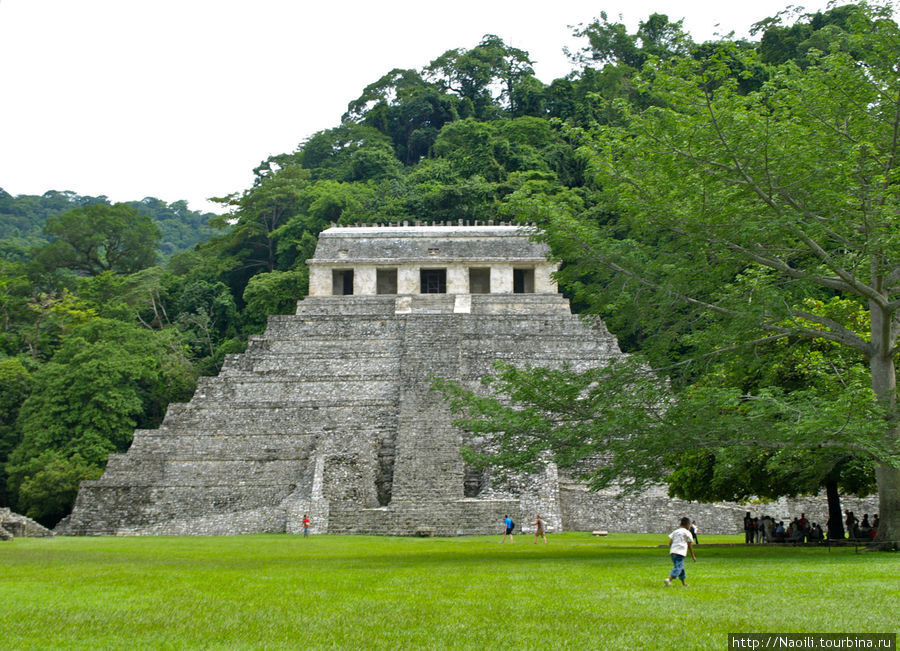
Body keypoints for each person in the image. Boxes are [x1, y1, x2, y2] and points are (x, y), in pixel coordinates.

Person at [665, 517, 696, 587]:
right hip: (681, 552)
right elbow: (689, 545)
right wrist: (693, 556)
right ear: (688, 525)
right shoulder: (688, 533)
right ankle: (669, 579)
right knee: (678, 567)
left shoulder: (675, 532)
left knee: (681, 568)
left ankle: (684, 583)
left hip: (673, 552)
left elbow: (670, 543)